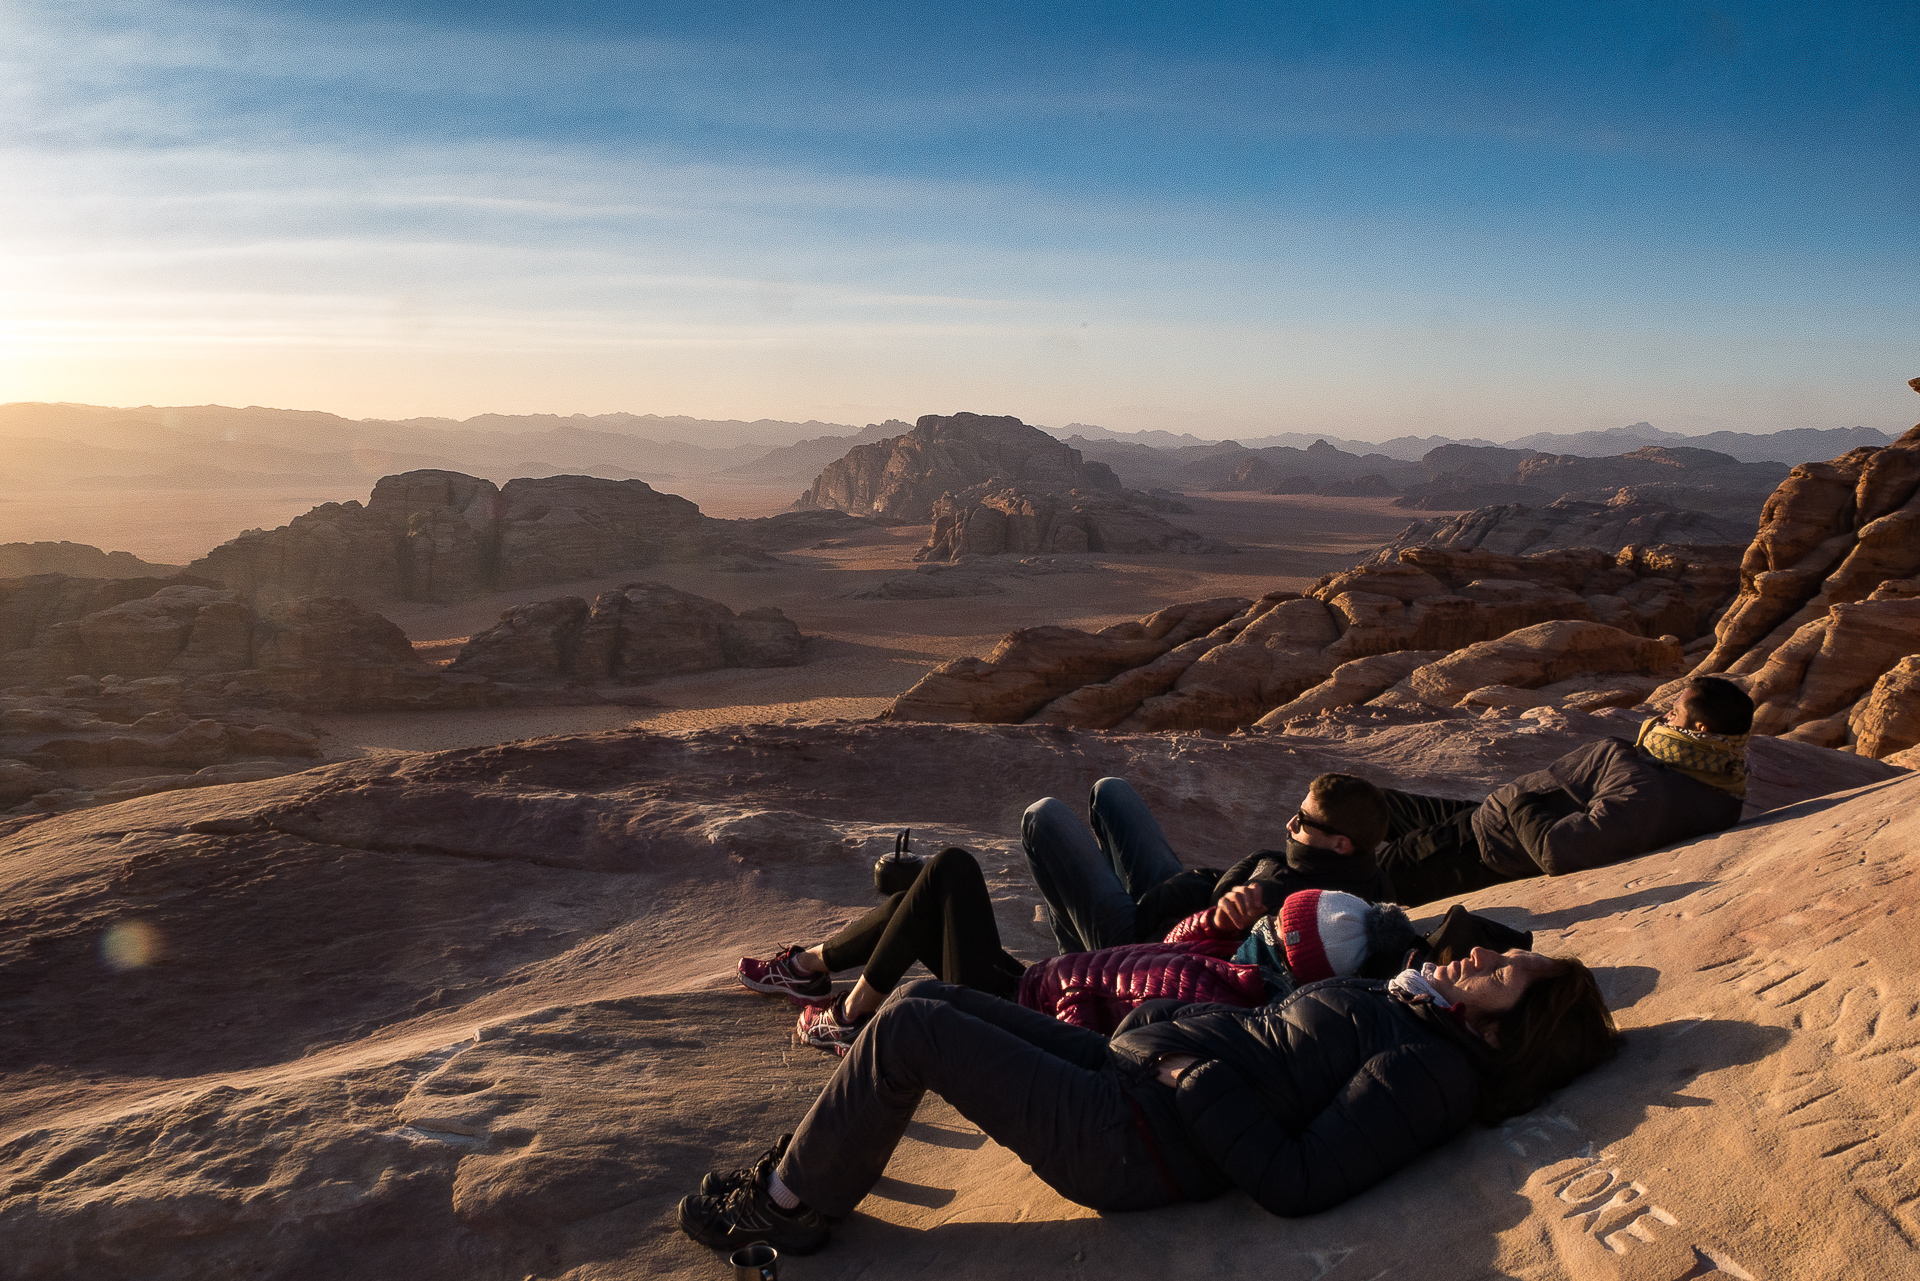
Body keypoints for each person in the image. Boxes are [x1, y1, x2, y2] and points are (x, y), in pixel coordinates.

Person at [678, 947, 1620, 1257]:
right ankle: (814, 1170)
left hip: (1136, 1140)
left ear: (1504, 1031)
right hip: (1133, 1081)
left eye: (1503, 974)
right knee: (922, 997)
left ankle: (787, 1214)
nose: (1483, 958)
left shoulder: (1429, 1071)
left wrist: (1188, 1071)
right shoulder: (1417, 1009)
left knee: (911, 1031)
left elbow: (1299, 1178)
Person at [739, 847, 1434, 1050]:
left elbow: (1104, 1046)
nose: (1264, 923)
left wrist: (1064, 1003)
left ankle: (850, 1014)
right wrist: (1221, 921)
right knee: (925, 893)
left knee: (949, 870)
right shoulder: (1239, 965)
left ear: (1290, 959)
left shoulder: (1227, 997)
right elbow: (1162, 950)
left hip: (1018, 1014)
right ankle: (809, 970)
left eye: (1276, 928)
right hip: (1035, 982)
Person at [1372, 675, 1755, 906]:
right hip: (1487, 820)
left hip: (1482, 848)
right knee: (1367, 803)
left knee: (1366, 874)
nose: (1663, 717)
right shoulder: (1722, 778)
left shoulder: (1648, 789)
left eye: (1674, 712)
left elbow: (1560, 852)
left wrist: (1521, 802)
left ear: (1701, 730)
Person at [1021, 772, 1395, 957]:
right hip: (1176, 907)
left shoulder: (1308, 909)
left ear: (1340, 844)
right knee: (1110, 790)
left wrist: (1231, 923)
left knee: (1043, 818)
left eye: (1303, 820)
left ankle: (1083, 970)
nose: (1290, 824)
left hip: (1150, 950)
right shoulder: (1358, 873)